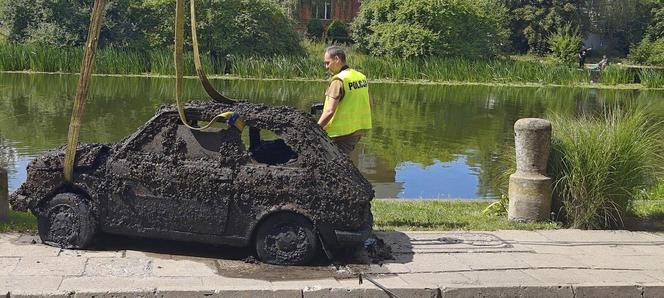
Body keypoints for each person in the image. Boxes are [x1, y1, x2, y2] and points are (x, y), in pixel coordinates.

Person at [317, 46, 372, 156]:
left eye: (328, 63)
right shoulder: (360, 76)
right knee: (343, 162)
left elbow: (329, 112)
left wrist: (315, 129)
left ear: (337, 59)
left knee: (333, 164)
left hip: (339, 134)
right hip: (357, 131)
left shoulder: (338, 80)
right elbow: (369, 102)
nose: (326, 67)